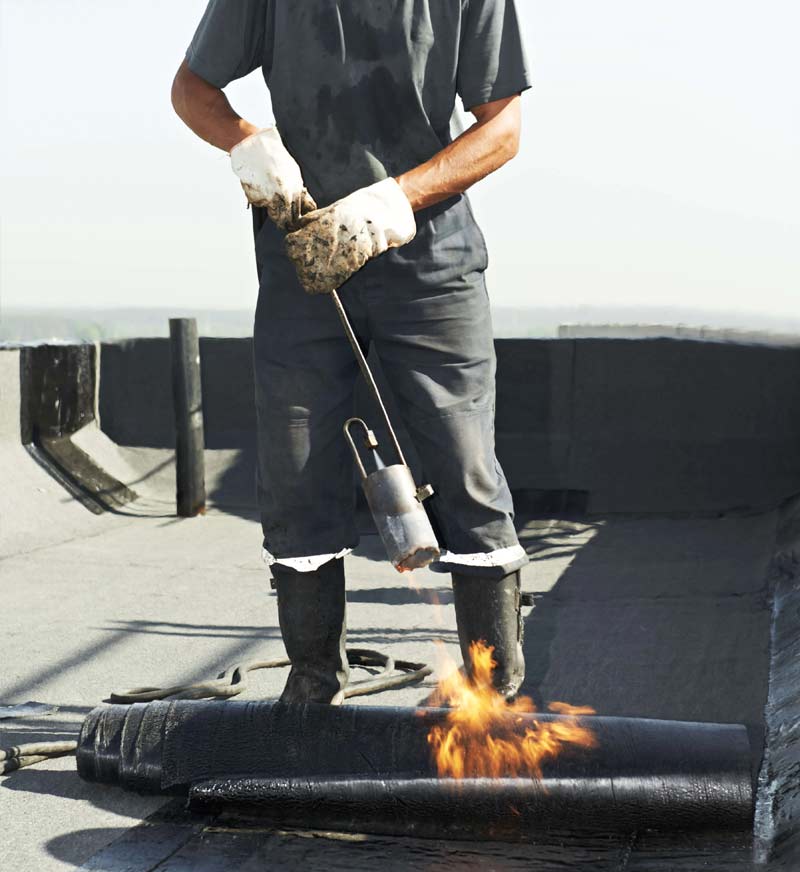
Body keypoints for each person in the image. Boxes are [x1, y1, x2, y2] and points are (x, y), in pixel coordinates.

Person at [172, 0, 532, 705]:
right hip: (302, 263)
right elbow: (192, 89)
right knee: (297, 476)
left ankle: (493, 697)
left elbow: (504, 128)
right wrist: (246, 141)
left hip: (431, 265)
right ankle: (312, 685)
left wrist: (397, 200)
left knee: (466, 471)